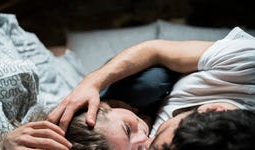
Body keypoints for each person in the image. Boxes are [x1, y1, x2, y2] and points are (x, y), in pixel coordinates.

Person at [46, 27, 255, 149]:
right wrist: (91, 82)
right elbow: (155, 50)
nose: (146, 142)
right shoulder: (245, 63)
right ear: (212, 109)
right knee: (150, 83)